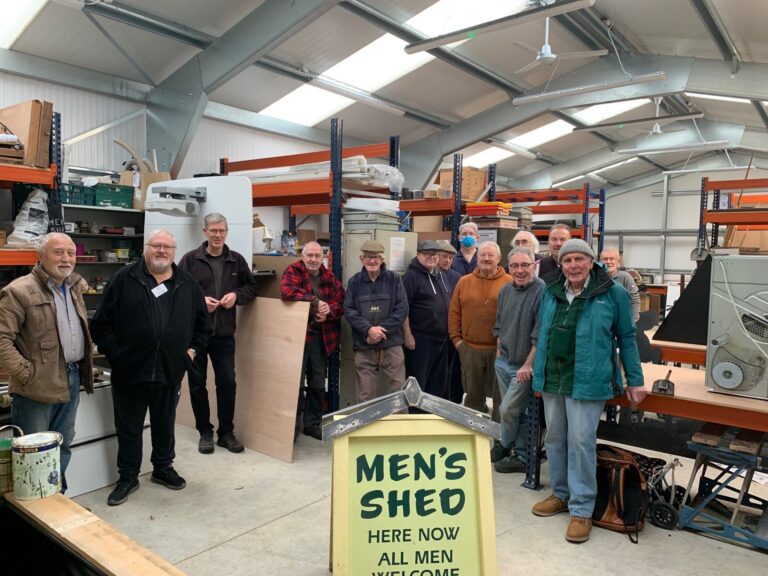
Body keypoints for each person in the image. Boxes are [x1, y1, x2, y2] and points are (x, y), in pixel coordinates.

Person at [531, 239, 646, 543]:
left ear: (591, 262)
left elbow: (627, 338)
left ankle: (582, 509)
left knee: (581, 443)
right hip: (554, 378)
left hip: (588, 379)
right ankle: (561, 494)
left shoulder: (613, 293)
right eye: (567, 261)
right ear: (561, 265)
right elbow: (543, 335)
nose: (573, 266)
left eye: (579, 259)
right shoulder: (551, 290)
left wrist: (635, 379)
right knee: (554, 438)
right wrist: (538, 376)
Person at [91, 230, 210, 507]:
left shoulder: (187, 283)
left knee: (164, 423)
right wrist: (117, 355)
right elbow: (100, 324)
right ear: (147, 248)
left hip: (170, 369)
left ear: (174, 251)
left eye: (167, 246)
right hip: (130, 370)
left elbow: (202, 325)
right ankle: (128, 477)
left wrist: (190, 353)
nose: (162, 251)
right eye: (157, 245)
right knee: (129, 427)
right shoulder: (124, 279)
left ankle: (162, 468)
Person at [0, 233, 93, 492]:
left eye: (71, 253)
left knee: (63, 443)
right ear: (40, 256)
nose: (66, 259)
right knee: (33, 449)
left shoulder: (74, 287)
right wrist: (27, 374)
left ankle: (55, 497)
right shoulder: (19, 291)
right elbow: (2, 339)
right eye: (58, 252)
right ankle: (33, 505)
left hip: (71, 377)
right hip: (35, 387)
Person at [178, 213, 258, 454]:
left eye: (221, 230)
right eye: (213, 230)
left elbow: (251, 288)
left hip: (224, 334)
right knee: (197, 384)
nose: (217, 235)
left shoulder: (236, 261)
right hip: (196, 336)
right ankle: (205, 431)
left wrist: (236, 296)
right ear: (205, 231)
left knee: (227, 383)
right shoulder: (190, 260)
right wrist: (200, 301)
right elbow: (177, 292)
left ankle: (226, 433)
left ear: (226, 232)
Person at [280, 241, 345, 440]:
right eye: (310, 255)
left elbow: (341, 303)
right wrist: (315, 302)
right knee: (296, 384)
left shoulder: (329, 277)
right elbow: (287, 291)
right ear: (303, 256)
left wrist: (328, 311)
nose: (313, 259)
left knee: (317, 383)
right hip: (298, 336)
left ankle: (312, 424)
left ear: (323, 257)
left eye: (317, 256)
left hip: (321, 337)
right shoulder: (293, 271)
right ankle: (292, 428)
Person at [492, 247, 544, 471]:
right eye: (514, 265)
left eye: (525, 265)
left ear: (534, 266)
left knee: (507, 410)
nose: (520, 270)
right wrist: (498, 350)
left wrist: (528, 365)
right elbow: (499, 322)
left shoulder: (542, 291)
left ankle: (506, 444)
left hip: (523, 367)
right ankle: (520, 454)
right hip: (503, 361)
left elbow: (540, 334)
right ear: (508, 268)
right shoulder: (505, 290)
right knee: (516, 411)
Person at [448, 241, 512, 421]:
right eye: (482, 255)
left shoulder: (509, 282)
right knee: (472, 397)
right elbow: (454, 313)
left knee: (501, 396)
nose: (486, 258)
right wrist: (457, 341)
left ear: (499, 258)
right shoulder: (464, 281)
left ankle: (499, 433)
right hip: (470, 348)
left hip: (499, 350)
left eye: (491, 255)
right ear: (477, 258)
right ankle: (473, 428)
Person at [343, 240, 408, 402]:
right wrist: (368, 330)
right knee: (365, 395)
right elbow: (349, 310)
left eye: (376, 257)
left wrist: (380, 332)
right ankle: (367, 420)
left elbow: (402, 309)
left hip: (392, 344)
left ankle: (399, 420)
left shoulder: (394, 279)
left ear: (382, 259)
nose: (372, 261)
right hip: (365, 345)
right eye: (368, 257)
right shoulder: (354, 282)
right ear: (361, 259)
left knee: (399, 392)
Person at [402, 240, 453, 398]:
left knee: (437, 383)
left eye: (435, 254)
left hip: (441, 339)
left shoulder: (441, 275)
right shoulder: (411, 277)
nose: (431, 257)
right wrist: (408, 335)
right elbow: (403, 309)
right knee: (418, 383)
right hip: (420, 340)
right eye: (427, 254)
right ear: (418, 255)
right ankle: (415, 412)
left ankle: (430, 411)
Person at [437, 239, 464, 403]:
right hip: (434, 333)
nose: (447, 260)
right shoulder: (429, 274)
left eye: (450, 258)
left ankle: (451, 399)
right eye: (444, 256)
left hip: (452, 333)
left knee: (452, 368)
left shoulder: (457, 277)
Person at [600, 247, 640, 322]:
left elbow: (634, 299)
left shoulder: (625, 277)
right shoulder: (595, 278)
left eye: (612, 259)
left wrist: (634, 318)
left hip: (621, 318)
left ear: (618, 262)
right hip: (601, 319)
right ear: (600, 262)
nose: (608, 262)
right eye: (605, 259)